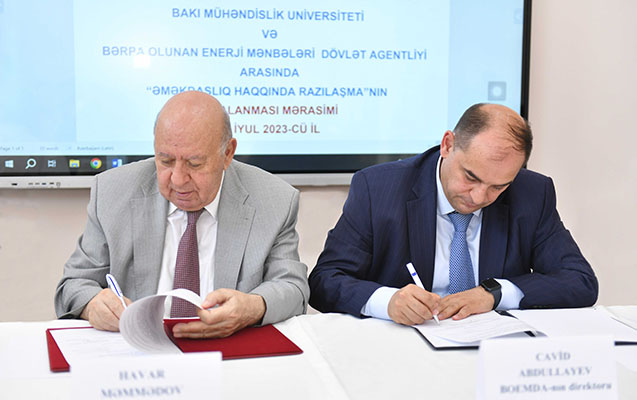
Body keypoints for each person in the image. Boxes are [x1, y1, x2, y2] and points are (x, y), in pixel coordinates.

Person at [308, 103, 598, 326]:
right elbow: (325, 281)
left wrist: (494, 293)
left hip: (492, 350)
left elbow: (580, 281)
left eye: (498, 186)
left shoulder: (532, 193)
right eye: (471, 177)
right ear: (447, 145)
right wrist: (388, 302)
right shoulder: (379, 188)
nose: (479, 197)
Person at [55, 91, 309, 338]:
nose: (177, 179)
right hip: (139, 351)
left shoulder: (274, 200)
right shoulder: (112, 192)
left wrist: (254, 306)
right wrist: (92, 304)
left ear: (227, 153)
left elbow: (294, 288)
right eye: (165, 161)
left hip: (228, 351)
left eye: (194, 164)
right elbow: (73, 285)